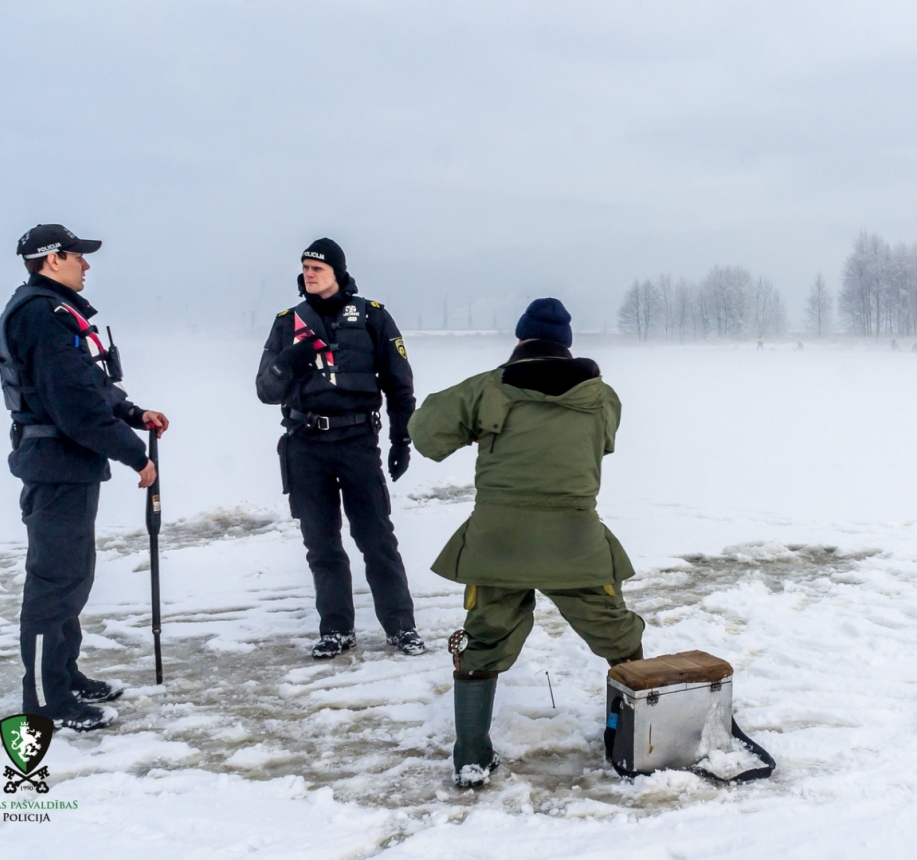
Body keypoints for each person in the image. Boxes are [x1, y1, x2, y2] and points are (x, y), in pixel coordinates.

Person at [409, 298, 645, 787]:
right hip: (575, 542)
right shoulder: (602, 396)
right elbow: (602, 444)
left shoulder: (487, 388)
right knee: (618, 636)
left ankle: (471, 758)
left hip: (498, 543)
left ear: (521, 339)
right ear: (567, 345)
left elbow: (426, 434)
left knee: (483, 641)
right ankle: (640, 735)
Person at [0, 224, 170, 732]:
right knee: (55, 582)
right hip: (55, 464)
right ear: (52, 260)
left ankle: (64, 674)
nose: (86, 265)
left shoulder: (53, 312)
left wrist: (135, 413)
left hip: (65, 464)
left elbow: (90, 385)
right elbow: (74, 406)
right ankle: (47, 701)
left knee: (72, 575)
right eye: (77, 256)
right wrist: (135, 455)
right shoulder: (42, 316)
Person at [255, 239, 424, 659]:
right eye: (305, 267)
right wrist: (285, 364)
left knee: (376, 537)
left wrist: (402, 439)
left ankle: (401, 626)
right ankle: (336, 628)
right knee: (322, 543)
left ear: (338, 271)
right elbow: (264, 389)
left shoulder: (372, 317)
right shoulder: (288, 322)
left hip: (357, 443)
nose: (309, 274)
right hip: (305, 444)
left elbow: (400, 386)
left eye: (317, 267)